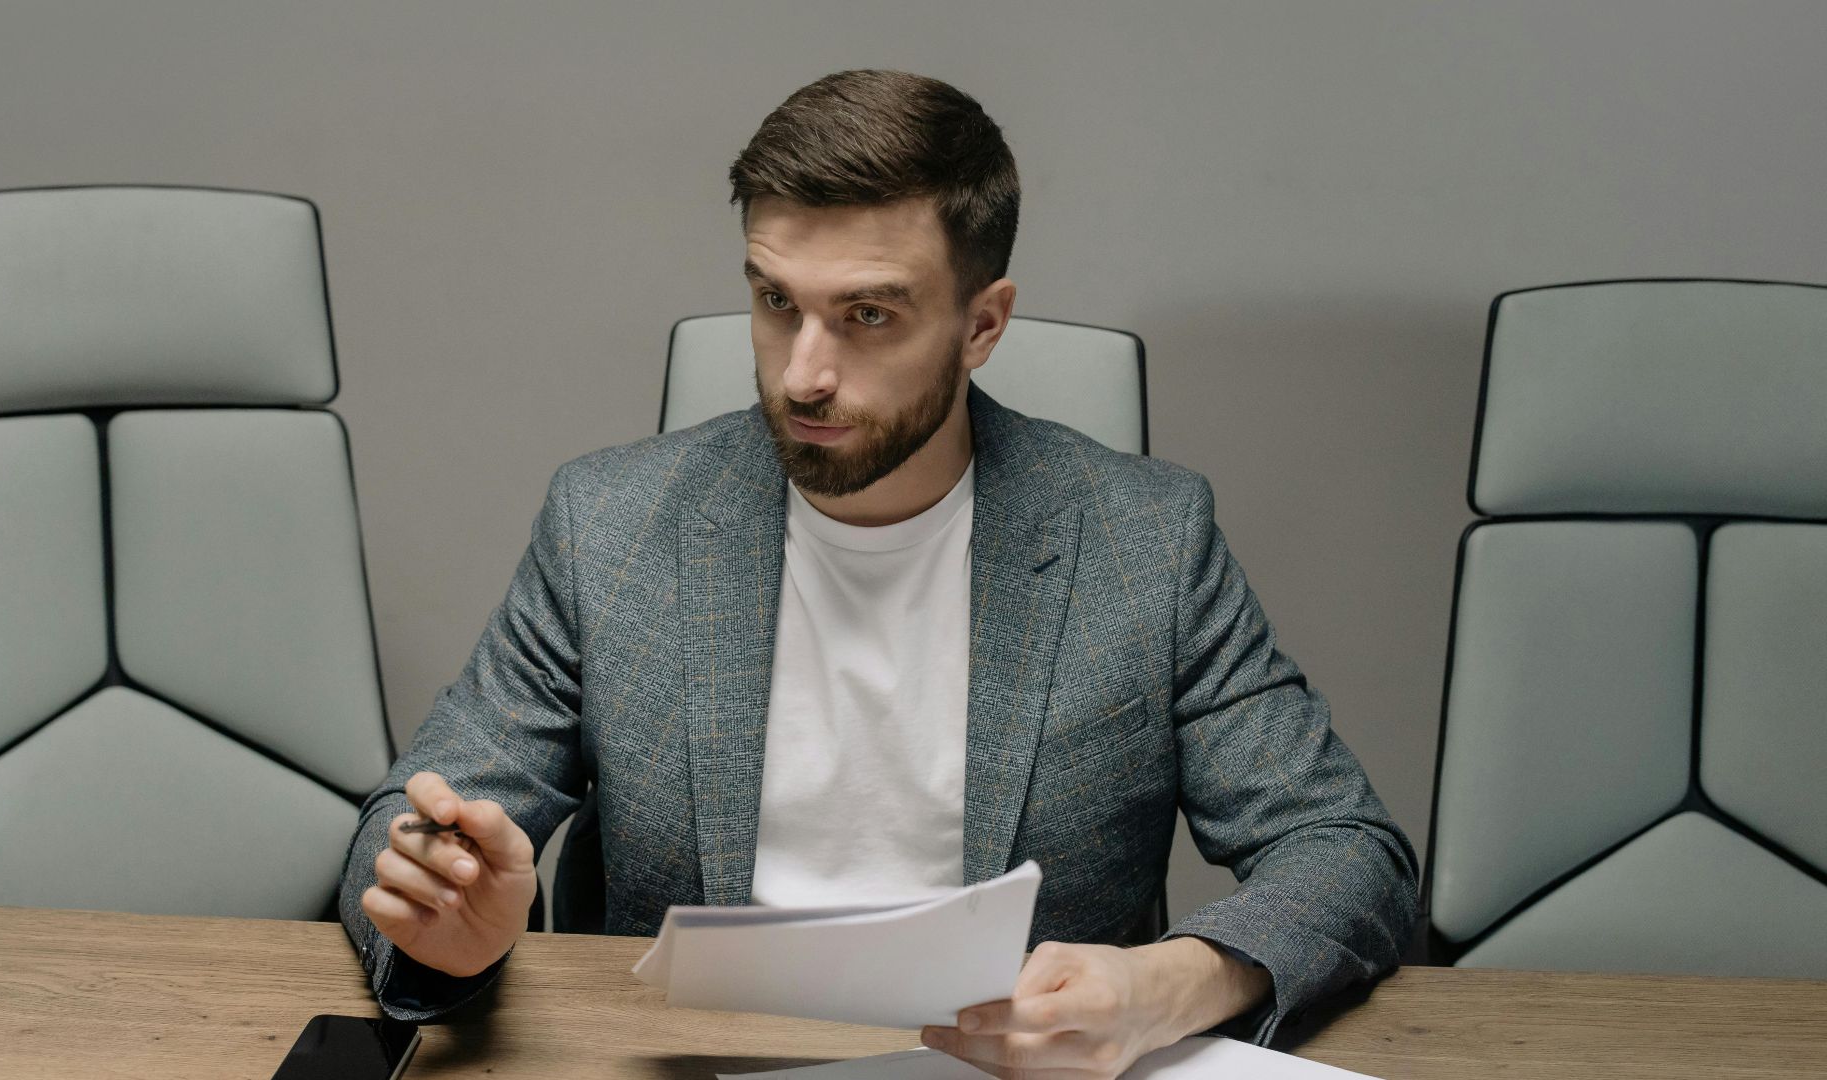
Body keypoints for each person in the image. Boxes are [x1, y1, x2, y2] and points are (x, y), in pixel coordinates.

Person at [338, 68, 1417, 1076]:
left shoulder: (1145, 540)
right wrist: (447, 924)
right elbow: (410, 819)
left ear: (982, 324)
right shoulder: (611, 526)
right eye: (774, 303)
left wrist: (1163, 988)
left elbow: (1346, 852)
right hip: (697, 1061)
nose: (804, 372)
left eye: (867, 317)